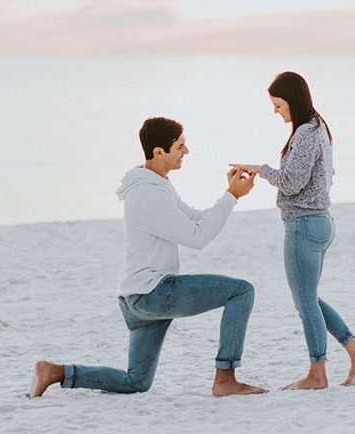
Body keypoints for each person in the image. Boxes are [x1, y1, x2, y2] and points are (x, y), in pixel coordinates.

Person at [31, 117, 266, 398]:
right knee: (241, 291)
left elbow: (197, 219)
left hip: (136, 298)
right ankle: (225, 378)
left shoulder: (156, 184)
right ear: (158, 152)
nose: (186, 151)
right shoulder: (148, 194)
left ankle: (57, 372)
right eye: (180, 146)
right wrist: (231, 196)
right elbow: (197, 237)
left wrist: (230, 195)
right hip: (153, 293)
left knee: (137, 381)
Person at [233, 72, 355, 391]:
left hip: (304, 225)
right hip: (319, 222)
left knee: (305, 302)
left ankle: (317, 374)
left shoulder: (307, 133)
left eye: (279, 105)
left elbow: (293, 181)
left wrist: (260, 170)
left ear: (293, 101)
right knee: (308, 299)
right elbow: (325, 175)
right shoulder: (319, 129)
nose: (276, 112)